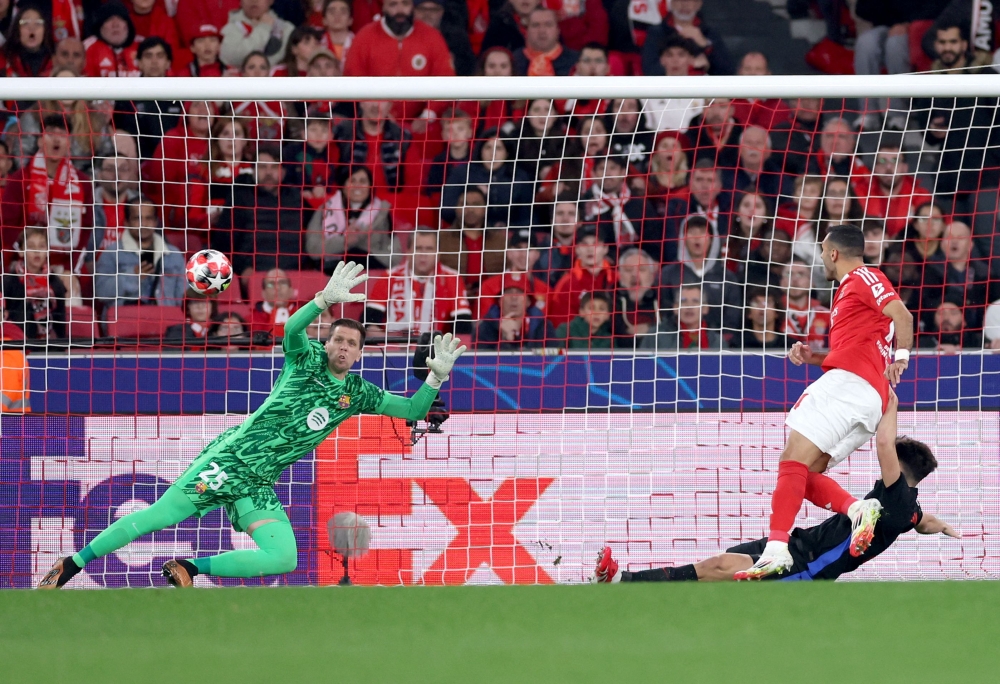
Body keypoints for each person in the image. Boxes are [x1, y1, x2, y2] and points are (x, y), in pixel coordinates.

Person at [39, 262, 468, 589]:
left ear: (358, 354)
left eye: (352, 344)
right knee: (158, 517)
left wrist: (435, 378)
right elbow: (293, 329)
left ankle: (189, 568)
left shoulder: (356, 393)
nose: (343, 346)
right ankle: (71, 565)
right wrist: (321, 300)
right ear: (328, 341)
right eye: (338, 338)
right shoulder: (307, 359)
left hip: (260, 479)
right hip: (231, 458)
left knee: (284, 557)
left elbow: (412, 411)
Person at [593, 391, 958, 583]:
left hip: (808, 566)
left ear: (899, 464)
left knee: (718, 568)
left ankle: (623, 582)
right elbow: (922, 521)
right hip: (802, 544)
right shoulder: (908, 509)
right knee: (712, 572)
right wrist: (942, 526)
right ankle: (629, 585)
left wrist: (887, 404)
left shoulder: (893, 494)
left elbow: (883, 445)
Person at [736, 224, 913, 580]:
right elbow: (854, 349)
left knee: (790, 460)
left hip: (850, 387)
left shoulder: (864, 276)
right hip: (866, 397)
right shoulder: (851, 294)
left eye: (821, 252)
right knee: (804, 473)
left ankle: (776, 549)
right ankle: (857, 509)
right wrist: (814, 355)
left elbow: (903, 315)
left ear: (833, 253)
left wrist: (902, 356)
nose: (820, 259)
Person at [0, 114, 94, 274]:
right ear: (39, 141)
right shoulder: (21, 179)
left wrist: (69, 270)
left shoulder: (83, 183)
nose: (56, 140)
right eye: (50, 134)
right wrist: (27, 263)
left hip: (63, 266)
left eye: (62, 135)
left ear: (69, 143)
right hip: (23, 263)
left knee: (76, 291)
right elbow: (7, 229)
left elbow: (85, 232)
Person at [342, 0, 455, 121]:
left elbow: (445, 78)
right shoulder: (364, 36)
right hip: (373, 118)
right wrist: (375, 110)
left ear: (413, 7)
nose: (400, 10)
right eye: (393, 4)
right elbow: (353, 77)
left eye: (405, 4)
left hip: (421, 122)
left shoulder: (432, 37)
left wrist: (430, 112)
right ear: (383, 7)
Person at [365, 229, 473, 340]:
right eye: (418, 248)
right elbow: (368, 322)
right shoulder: (390, 276)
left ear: (438, 253)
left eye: (429, 249)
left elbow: (463, 326)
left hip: (436, 349)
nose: (423, 254)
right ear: (408, 251)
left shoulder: (452, 278)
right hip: (396, 349)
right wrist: (390, 342)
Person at [218, 143, 306, 279]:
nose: (269, 173)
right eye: (263, 167)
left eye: (274, 167)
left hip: (294, 273)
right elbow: (224, 243)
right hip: (256, 274)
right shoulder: (241, 198)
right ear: (254, 171)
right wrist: (242, 269)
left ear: (282, 172)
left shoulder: (295, 198)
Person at [94, 195, 187, 309]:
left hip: (166, 322)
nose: (144, 223)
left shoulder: (173, 255)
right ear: (126, 222)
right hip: (126, 322)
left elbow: (184, 298)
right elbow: (101, 293)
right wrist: (132, 276)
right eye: (137, 218)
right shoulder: (112, 253)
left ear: (156, 222)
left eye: (149, 218)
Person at [305, 165, 401, 272]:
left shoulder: (383, 212)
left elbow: (395, 256)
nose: (357, 186)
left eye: (363, 181)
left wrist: (365, 254)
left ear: (370, 187)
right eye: (352, 181)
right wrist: (344, 242)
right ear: (344, 186)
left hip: (371, 274)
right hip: (333, 275)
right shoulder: (324, 210)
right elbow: (313, 249)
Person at [2, 227, 76, 340]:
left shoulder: (55, 283)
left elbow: (60, 325)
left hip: (49, 348)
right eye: (31, 246)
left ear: (47, 251)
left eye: (41, 246)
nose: (37, 251)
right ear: (21, 252)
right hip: (17, 346)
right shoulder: (8, 282)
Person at [851, 136, 931, 239]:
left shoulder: (922, 197)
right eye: (883, 161)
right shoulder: (859, 194)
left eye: (895, 161)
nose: (888, 167)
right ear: (875, 168)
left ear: (905, 167)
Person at [546, 224, 615, 329]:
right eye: (584, 244)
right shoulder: (566, 285)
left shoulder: (617, 279)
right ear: (577, 249)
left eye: (595, 244)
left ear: (605, 249)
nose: (590, 249)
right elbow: (561, 325)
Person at [641, 0, 733, 76]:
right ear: (671, 3)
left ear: (699, 4)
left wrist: (705, 44)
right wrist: (691, 67)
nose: (684, 4)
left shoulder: (709, 33)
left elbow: (726, 72)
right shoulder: (657, 32)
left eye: (690, 1)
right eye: (679, 0)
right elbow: (649, 69)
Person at [642, 37, 704, 133]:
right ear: (662, 60)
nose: (675, 60)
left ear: (691, 59)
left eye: (681, 55)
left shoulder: (705, 86)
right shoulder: (648, 91)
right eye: (669, 55)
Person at [479, 230, 547, 317]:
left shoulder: (545, 290)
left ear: (537, 255)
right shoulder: (489, 287)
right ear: (509, 253)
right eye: (518, 248)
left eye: (529, 249)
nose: (523, 255)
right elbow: (484, 323)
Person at [640, 284, 726, 352]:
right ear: (675, 308)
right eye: (683, 301)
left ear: (705, 308)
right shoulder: (655, 336)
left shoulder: (717, 341)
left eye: (695, 301)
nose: (689, 306)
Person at [475, 278, 554, 350]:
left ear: (529, 302)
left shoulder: (544, 326)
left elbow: (554, 360)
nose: (514, 297)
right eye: (509, 292)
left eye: (520, 292)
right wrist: (505, 340)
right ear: (499, 301)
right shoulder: (485, 328)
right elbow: (483, 363)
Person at [220, 0, 296, 68]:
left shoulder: (287, 29)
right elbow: (232, 59)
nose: (254, 1)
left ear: (271, 1)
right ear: (240, 1)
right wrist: (263, 27)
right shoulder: (230, 28)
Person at [611, 248, 659, 348]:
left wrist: (650, 328)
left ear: (651, 276)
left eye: (641, 270)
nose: (634, 274)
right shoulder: (610, 302)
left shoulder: (663, 300)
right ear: (619, 275)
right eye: (628, 270)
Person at [729, 52, 791, 130]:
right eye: (747, 69)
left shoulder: (781, 108)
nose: (752, 73)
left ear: (768, 74)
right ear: (739, 72)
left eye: (758, 69)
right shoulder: (729, 105)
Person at [413, 0, 475, 76]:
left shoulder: (457, 40)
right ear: (413, 11)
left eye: (433, 10)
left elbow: (468, 71)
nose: (427, 14)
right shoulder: (401, 37)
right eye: (422, 9)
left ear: (441, 12)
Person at [511, 7, 579, 77]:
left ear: (557, 30)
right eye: (536, 25)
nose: (542, 31)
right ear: (526, 31)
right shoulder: (513, 61)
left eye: (548, 25)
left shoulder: (576, 61)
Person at [781, 257, 830, 351]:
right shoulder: (774, 313)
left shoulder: (827, 314)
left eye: (801, 274)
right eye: (789, 274)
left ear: (811, 283)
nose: (794, 279)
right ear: (781, 282)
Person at [532, 195, 581, 287]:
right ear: (551, 220)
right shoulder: (538, 253)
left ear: (580, 222)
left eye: (571, 214)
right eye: (560, 213)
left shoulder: (591, 251)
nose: (565, 219)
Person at [83, 0, 140, 77]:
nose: (115, 24)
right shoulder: (87, 48)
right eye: (109, 19)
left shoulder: (142, 46)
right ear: (100, 26)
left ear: (127, 24)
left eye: (120, 18)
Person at [248, 268, 302, 336]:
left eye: (282, 283)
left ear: (291, 291)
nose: (277, 288)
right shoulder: (251, 321)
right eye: (271, 284)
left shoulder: (304, 314)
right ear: (263, 293)